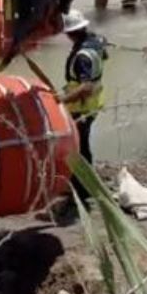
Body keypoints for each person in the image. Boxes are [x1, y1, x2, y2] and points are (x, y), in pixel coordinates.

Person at [60, 10, 108, 202]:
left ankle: (81, 190)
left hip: (82, 107)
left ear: (70, 33)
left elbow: (86, 87)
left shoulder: (81, 57)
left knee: (79, 149)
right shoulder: (95, 42)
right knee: (83, 146)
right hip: (94, 104)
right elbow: (105, 52)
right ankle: (85, 185)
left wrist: (61, 101)